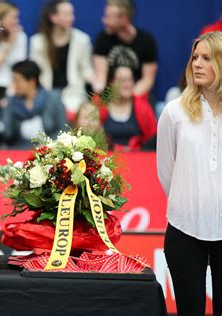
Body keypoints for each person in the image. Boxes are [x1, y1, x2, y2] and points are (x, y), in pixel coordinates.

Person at [157, 31, 222, 316]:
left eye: (206, 58)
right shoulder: (174, 111)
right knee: (189, 310)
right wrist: (190, 200)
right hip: (184, 231)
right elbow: (166, 170)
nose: (196, 64)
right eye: (195, 57)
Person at [30, 0, 96, 119]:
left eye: (72, 13)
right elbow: (34, 73)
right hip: (47, 96)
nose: (71, 18)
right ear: (53, 17)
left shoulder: (82, 40)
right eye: (67, 14)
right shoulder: (37, 42)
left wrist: (98, 83)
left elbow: (86, 70)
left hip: (74, 94)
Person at [93, 0, 157, 97]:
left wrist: (128, 99)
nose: (104, 20)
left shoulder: (146, 41)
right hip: (109, 96)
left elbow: (147, 80)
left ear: (124, 19)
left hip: (136, 95)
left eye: (108, 17)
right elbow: (101, 77)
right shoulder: (102, 39)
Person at [1, 60, 68, 148]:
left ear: (32, 81)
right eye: (14, 81)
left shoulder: (53, 98)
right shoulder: (11, 102)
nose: (14, 85)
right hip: (20, 151)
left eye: (18, 81)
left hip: (50, 150)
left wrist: (47, 145)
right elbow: (7, 134)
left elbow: (64, 130)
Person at [0, 1, 27, 115]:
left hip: (11, 87)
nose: (16, 22)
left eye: (17, 17)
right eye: (12, 17)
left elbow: (19, 68)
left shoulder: (20, 37)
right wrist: (8, 46)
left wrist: (11, 94)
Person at [97, 65, 156, 151]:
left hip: (138, 159)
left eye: (130, 79)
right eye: (122, 80)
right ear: (111, 83)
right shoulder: (100, 107)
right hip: (106, 159)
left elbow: (153, 138)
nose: (127, 84)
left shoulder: (143, 107)